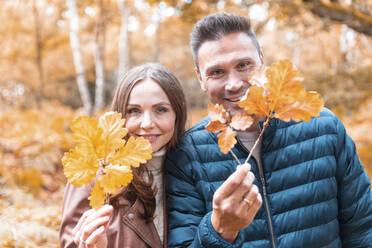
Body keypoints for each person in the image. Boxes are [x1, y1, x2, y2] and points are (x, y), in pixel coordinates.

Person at [165, 12, 372, 247]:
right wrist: (219, 231)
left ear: (262, 62)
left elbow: (363, 230)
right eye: (216, 72)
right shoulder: (186, 152)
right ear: (200, 78)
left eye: (243, 65)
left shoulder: (324, 128)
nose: (233, 84)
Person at [60, 63, 187, 248]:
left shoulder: (191, 169)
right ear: (120, 114)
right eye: (134, 111)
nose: (147, 124)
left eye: (160, 110)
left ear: (177, 114)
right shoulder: (94, 173)